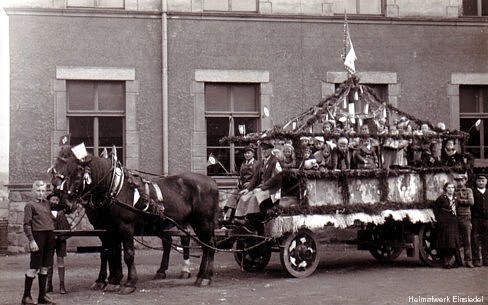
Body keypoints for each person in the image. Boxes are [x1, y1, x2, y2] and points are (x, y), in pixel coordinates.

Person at [21, 180, 56, 305]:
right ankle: (26, 297)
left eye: (43, 191)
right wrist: (31, 241)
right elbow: (26, 224)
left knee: (45, 267)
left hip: (49, 236)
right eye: (38, 191)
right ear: (33, 191)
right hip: (38, 237)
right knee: (34, 267)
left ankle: (42, 296)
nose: (41, 193)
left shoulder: (47, 203)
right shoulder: (29, 205)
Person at [235, 141, 283, 230]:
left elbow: (276, 178)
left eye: (266, 149)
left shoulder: (275, 161)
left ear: (271, 150)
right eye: (263, 149)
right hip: (261, 187)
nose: (264, 151)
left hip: (272, 189)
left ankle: (251, 220)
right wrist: (248, 189)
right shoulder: (262, 162)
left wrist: (262, 188)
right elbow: (255, 178)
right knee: (244, 196)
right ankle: (240, 218)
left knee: (255, 197)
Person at [222, 145, 257, 222]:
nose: (246, 155)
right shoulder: (243, 164)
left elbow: (257, 178)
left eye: (248, 153)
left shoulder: (256, 164)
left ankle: (240, 217)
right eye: (245, 153)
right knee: (233, 196)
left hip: (251, 187)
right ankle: (227, 216)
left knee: (241, 197)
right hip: (242, 186)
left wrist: (249, 184)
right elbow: (241, 176)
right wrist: (239, 182)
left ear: (253, 154)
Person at [46, 193, 72, 294]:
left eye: (57, 200)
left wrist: (60, 236)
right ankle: (49, 285)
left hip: (60, 241)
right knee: (48, 262)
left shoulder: (61, 213)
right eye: (53, 199)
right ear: (49, 201)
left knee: (60, 261)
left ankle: (62, 285)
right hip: (49, 241)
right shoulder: (46, 213)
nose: (55, 202)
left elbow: (66, 229)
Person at [433, 182, 460, 269]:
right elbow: (436, 210)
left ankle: (453, 261)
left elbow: (457, 209)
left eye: (452, 188)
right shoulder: (441, 198)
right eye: (449, 188)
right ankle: (446, 262)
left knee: (453, 242)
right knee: (445, 241)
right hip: (444, 222)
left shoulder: (455, 198)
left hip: (453, 222)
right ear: (445, 189)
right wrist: (438, 219)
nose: (451, 189)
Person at [454, 174, 474, 268]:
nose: (459, 182)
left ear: (465, 181)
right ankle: (458, 261)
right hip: (456, 217)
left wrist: (459, 201)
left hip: (466, 217)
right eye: (458, 180)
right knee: (456, 241)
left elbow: (471, 202)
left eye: (461, 180)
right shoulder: (453, 190)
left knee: (467, 241)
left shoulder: (468, 190)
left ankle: (468, 261)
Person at [472, 173, 488, 267]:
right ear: (476, 182)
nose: (481, 182)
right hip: (476, 220)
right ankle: (476, 260)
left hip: (486, 220)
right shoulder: (473, 193)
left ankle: (486, 260)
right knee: (475, 240)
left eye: (483, 181)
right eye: (479, 181)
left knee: (486, 240)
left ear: (486, 182)